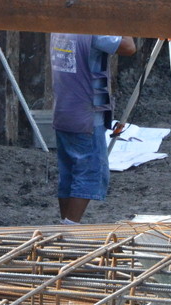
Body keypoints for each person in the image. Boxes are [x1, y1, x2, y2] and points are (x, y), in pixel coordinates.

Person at [50, 33, 136, 224]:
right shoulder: (93, 32)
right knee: (91, 173)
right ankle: (69, 229)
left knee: (70, 175)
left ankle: (65, 227)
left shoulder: (59, 27)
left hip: (64, 110)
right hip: (86, 116)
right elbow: (129, 47)